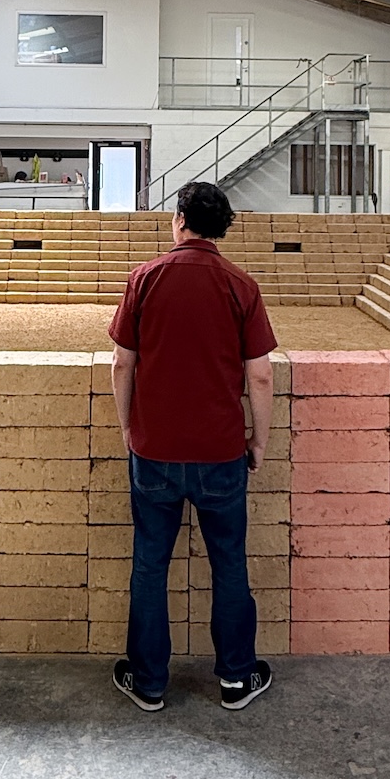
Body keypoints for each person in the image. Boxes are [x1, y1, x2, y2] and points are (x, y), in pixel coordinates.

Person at [106, 180, 276, 712]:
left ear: (180, 219)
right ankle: (236, 678)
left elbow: (122, 364)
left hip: (154, 449)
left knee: (150, 564)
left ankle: (149, 681)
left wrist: (128, 428)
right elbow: (261, 375)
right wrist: (259, 441)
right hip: (220, 452)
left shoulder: (145, 278)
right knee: (229, 563)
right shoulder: (241, 285)